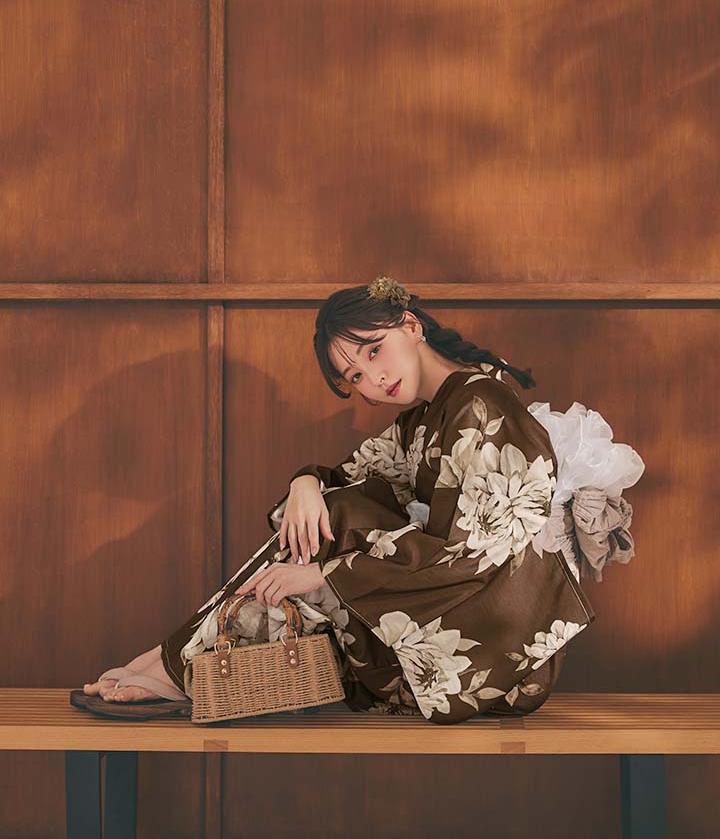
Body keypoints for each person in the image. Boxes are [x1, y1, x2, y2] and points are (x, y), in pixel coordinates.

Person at [82, 276, 612, 723]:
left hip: (500, 650)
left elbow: (473, 553)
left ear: (410, 326)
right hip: (459, 627)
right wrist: (305, 484)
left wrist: (325, 574)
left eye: (374, 350)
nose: (374, 379)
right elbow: (347, 480)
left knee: (335, 523)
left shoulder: (482, 406)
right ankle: (179, 662)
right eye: (356, 376)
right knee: (332, 509)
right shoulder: (424, 419)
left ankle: (177, 665)